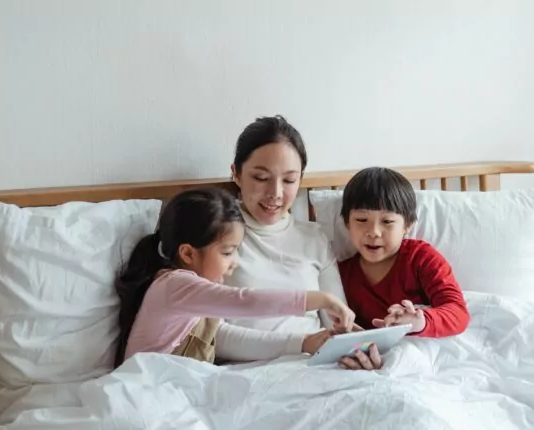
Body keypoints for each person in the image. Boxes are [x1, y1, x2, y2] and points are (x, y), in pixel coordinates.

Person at [114, 187, 355, 367]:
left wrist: (304, 342)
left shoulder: (194, 299)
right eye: (228, 252)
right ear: (188, 253)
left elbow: (228, 337)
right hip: (146, 390)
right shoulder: (176, 285)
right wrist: (322, 299)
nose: (234, 263)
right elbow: (245, 301)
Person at [213, 115, 356, 362]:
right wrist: (301, 344)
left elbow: (339, 324)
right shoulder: (215, 238)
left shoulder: (314, 237)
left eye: (289, 180)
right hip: (247, 375)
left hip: (317, 367)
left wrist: (360, 349)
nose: (276, 194)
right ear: (236, 174)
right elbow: (212, 337)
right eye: (261, 178)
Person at [337, 167, 471, 370]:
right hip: (381, 359)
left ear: (407, 225)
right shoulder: (340, 275)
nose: (373, 232)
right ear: (347, 223)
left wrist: (420, 321)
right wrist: (361, 351)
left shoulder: (421, 258)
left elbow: (458, 313)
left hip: (427, 353)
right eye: (362, 220)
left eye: (387, 221)